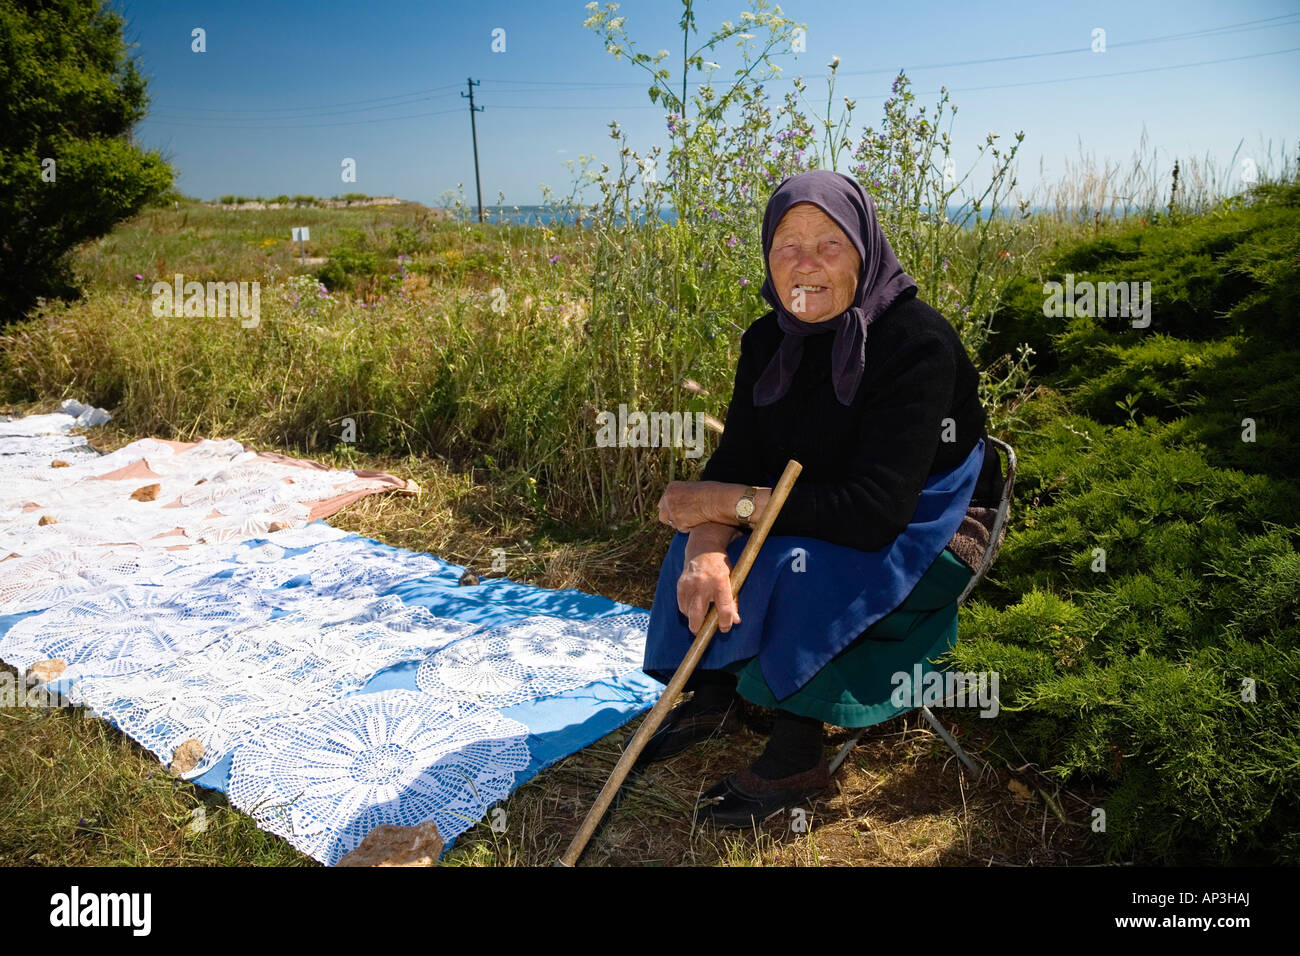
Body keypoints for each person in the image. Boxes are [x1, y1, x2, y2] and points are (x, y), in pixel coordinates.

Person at [639, 169, 1004, 827]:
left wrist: (725, 504)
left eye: (828, 245)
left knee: (792, 560)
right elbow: (737, 462)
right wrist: (705, 545)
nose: (805, 265)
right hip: (830, 500)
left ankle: (797, 748)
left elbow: (872, 514)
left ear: (864, 250)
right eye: (786, 246)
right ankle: (716, 689)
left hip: (931, 522)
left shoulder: (915, 342)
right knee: (698, 545)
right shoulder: (767, 340)